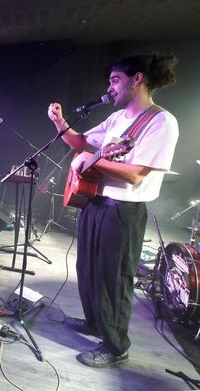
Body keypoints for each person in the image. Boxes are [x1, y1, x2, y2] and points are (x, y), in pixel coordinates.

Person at [47, 52, 179, 368]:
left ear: (138, 79)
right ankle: (95, 323)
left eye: (116, 80)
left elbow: (135, 173)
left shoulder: (160, 121)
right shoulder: (117, 119)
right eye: (109, 81)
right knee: (88, 270)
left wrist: (94, 161)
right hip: (96, 203)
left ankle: (116, 346)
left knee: (115, 280)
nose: (111, 87)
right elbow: (81, 142)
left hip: (124, 211)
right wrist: (60, 122)